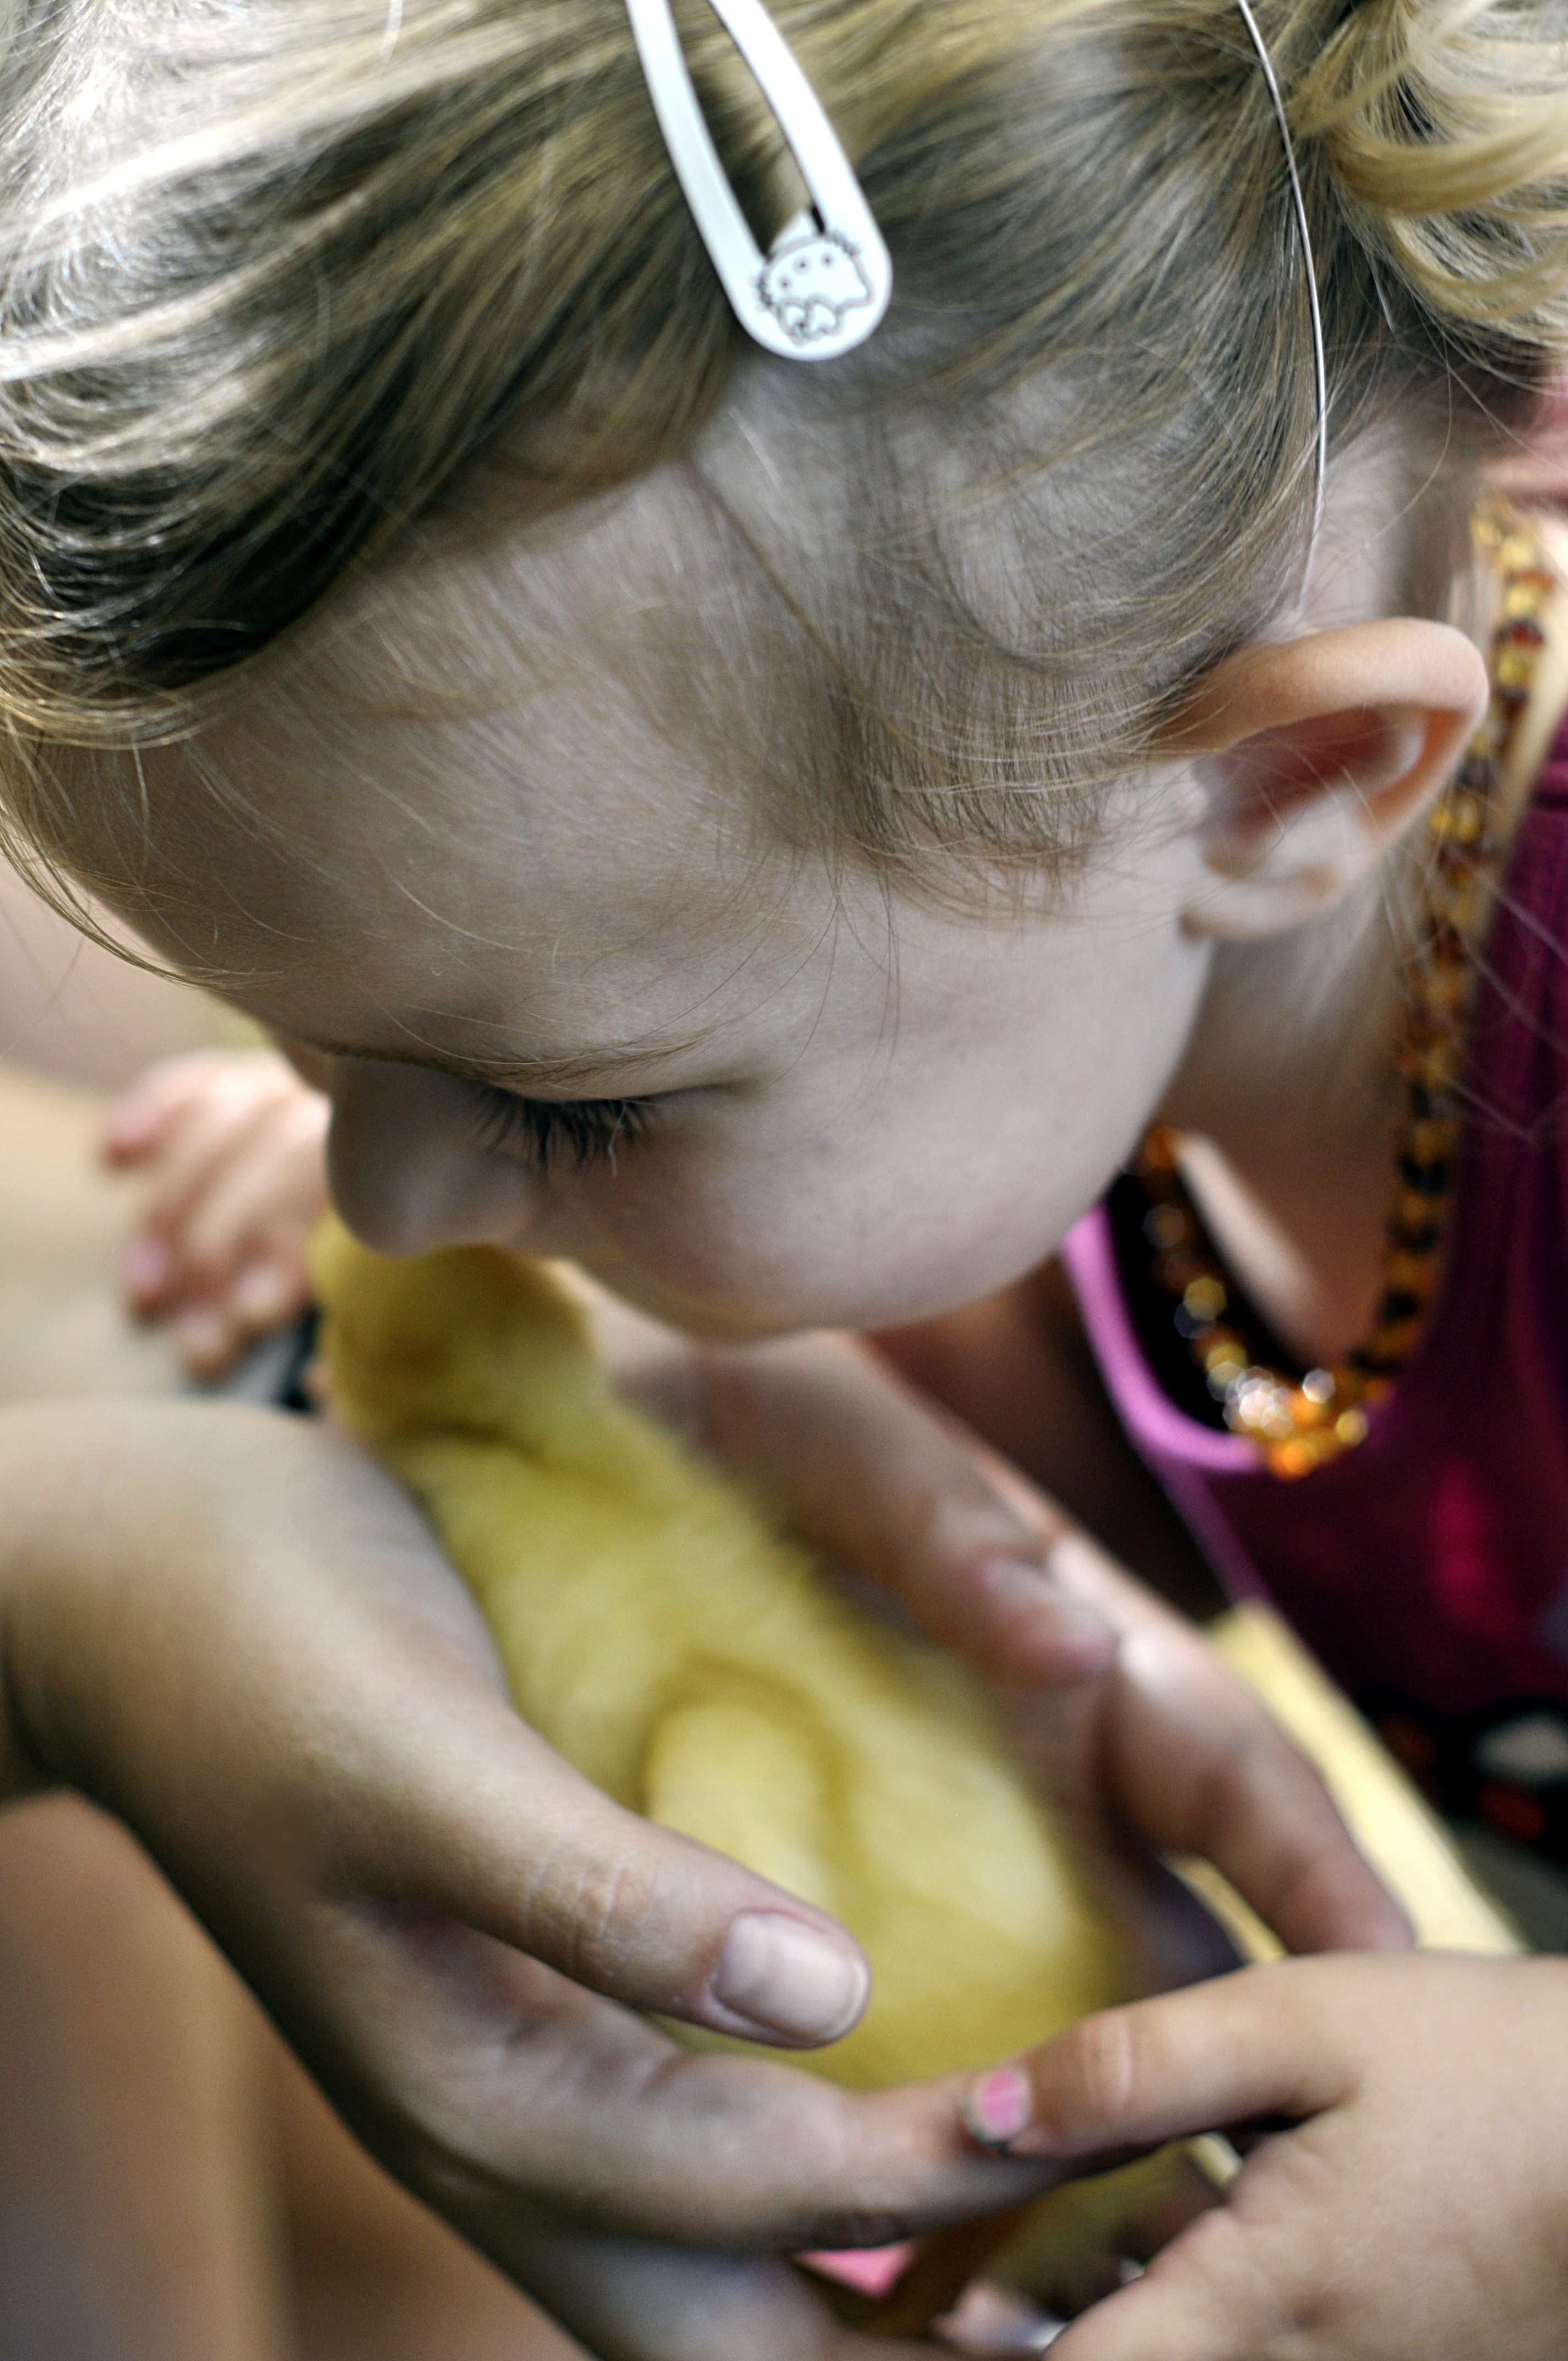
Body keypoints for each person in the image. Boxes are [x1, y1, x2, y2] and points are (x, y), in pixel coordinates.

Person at [2, 0, 1566, 2353]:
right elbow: (1096, 1366)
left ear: (1288, 786)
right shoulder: (1100, 934)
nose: (385, 1197)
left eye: (566, 1100)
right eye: (317, 1053)